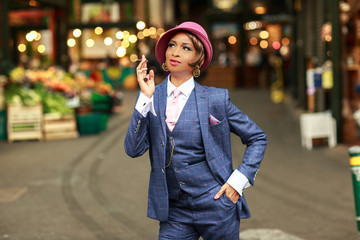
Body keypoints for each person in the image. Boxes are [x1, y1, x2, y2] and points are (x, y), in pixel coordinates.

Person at [124, 21, 267, 240]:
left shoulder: (215, 99)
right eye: (172, 45)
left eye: (186, 48)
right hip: (174, 211)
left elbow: (257, 137)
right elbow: (133, 149)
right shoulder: (153, 96)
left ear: (198, 59)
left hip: (216, 204)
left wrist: (238, 182)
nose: (175, 52)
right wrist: (145, 98)